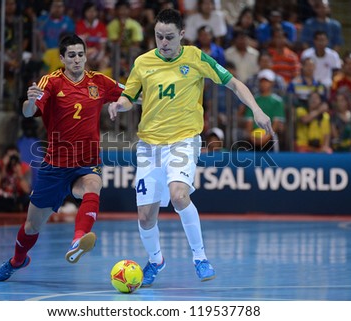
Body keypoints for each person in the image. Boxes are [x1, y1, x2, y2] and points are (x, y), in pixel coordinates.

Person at [108, 8, 273, 286]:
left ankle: (200, 258)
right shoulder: (143, 62)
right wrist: (118, 105)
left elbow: (233, 83)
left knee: (179, 195)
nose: (163, 42)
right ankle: (156, 260)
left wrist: (256, 109)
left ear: (181, 35)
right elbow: (129, 97)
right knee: (146, 216)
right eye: (159, 36)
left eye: (169, 37)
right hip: (149, 145)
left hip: (183, 140)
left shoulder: (196, 57)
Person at [0, 33, 126, 281]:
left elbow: (131, 94)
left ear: (86, 56)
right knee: (33, 226)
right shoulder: (51, 82)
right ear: (63, 58)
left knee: (93, 186)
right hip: (55, 166)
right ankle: (17, 261)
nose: (77, 60)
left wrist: (124, 102)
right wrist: (29, 102)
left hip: (86, 162)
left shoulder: (99, 81)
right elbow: (28, 111)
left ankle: (78, 240)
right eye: (72, 55)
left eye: (81, 54)